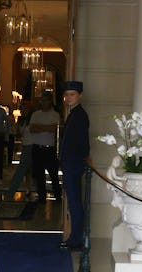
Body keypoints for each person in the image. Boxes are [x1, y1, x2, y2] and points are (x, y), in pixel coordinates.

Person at [58, 80, 90, 250]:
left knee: (75, 203)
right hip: (71, 164)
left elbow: (82, 144)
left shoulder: (80, 115)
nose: (69, 98)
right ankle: (75, 238)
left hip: (74, 165)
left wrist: (76, 164)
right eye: (67, 95)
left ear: (80, 96)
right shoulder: (74, 114)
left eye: (72, 95)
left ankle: (76, 239)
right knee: (73, 202)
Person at [29, 91, 61, 203]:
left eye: (45, 100)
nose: (43, 102)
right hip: (37, 148)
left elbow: (53, 128)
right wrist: (45, 128)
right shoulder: (35, 114)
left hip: (49, 149)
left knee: (53, 174)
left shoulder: (55, 115)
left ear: (50, 101)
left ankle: (57, 196)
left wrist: (40, 127)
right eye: (42, 100)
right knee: (39, 174)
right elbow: (32, 128)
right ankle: (42, 196)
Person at [6, 101, 34, 198]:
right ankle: (28, 189)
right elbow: (19, 133)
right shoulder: (22, 120)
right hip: (25, 145)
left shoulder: (33, 118)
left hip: (32, 146)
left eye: (23, 109)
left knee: (22, 169)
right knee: (27, 170)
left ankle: (11, 192)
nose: (22, 111)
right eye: (21, 109)